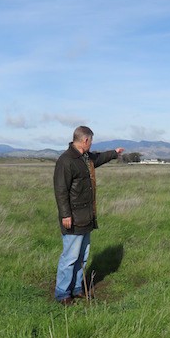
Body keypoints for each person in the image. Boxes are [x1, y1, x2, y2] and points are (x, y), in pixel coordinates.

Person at [53, 126, 124, 305]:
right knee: (69, 258)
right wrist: (65, 215)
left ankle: (77, 288)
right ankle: (62, 293)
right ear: (85, 140)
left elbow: (99, 158)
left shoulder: (85, 158)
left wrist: (114, 153)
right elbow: (61, 191)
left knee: (82, 256)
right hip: (73, 218)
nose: (91, 144)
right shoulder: (66, 160)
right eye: (91, 141)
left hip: (87, 217)